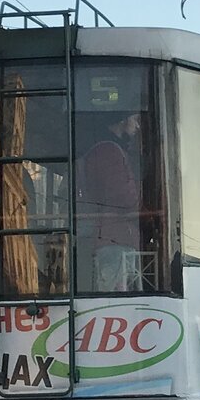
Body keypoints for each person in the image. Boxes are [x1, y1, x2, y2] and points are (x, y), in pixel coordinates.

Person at [78, 112, 143, 291]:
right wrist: (143, 205)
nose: (137, 126)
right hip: (115, 237)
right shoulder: (109, 151)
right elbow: (123, 196)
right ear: (122, 120)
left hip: (112, 236)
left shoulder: (101, 150)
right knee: (116, 296)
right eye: (135, 120)